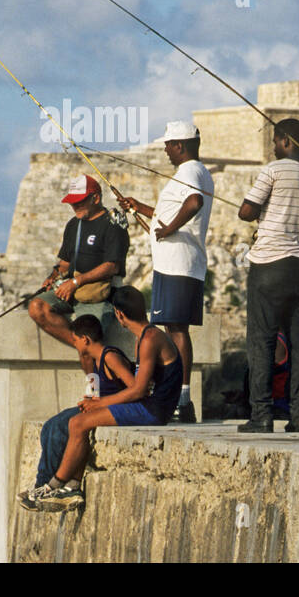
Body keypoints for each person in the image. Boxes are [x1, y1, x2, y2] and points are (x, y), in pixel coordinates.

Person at [20, 286, 181, 512]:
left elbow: (138, 391)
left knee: (77, 423)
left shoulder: (149, 339)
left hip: (153, 410)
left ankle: (53, 486)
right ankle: (72, 485)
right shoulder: (146, 336)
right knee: (77, 423)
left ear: (119, 315)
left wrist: (99, 403)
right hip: (151, 405)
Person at [236, 118, 299, 434]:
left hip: (269, 267)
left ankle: (261, 415)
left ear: (287, 141)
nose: (274, 147)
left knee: (261, 339)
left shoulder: (272, 171)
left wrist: (260, 214)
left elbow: (246, 212)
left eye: (276, 141)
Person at [117, 120, 212, 423]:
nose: (166, 150)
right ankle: (178, 398)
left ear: (180, 145)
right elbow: (173, 210)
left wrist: (169, 229)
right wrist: (141, 208)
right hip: (176, 261)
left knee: (177, 328)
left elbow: (193, 203)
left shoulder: (190, 172)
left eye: (168, 145)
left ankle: (182, 401)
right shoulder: (194, 173)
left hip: (178, 261)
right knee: (174, 327)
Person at [18, 314, 133, 507]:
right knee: (50, 425)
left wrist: (100, 403)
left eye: (75, 341)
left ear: (85, 340)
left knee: (62, 427)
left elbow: (135, 388)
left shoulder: (111, 356)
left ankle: (48, 486)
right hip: (99, 405)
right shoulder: (94, 360)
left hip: (113, 408)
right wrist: (89, 399)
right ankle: (46, 483)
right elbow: (94, 387)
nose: (75, 345)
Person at [27, 173, 130, 377]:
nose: (74, 207)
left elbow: (112, 266)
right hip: (71, 290)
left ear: (96, 198)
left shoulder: (112, 224)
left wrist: (76, 281)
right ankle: (81, 344)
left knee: (88, 345)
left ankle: (95, 392)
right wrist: (53, 276)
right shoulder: (73, 225)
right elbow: (65, 262)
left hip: (99, 295)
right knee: (37, 307)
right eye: (72, 203)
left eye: (79, 202)